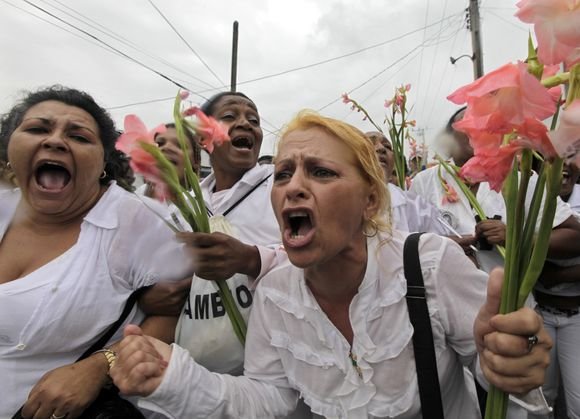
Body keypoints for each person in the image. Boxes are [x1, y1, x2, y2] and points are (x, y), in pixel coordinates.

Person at [111, 111, 552, 418]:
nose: (293, 187)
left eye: (320, 172)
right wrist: (174, 378)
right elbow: (271, 400)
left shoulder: (429, 263)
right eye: (283, 173)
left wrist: (509, 362)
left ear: (370, 200)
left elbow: (503, 378)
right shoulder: (275, 292)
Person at [0, 86, 195, 418]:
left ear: (105, 160)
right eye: (37, 129)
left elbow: (175, 312)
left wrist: (101, 365)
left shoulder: (141, 221)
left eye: (79, 137)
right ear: (9, 147)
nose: (55, 141)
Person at [142, 91, 282, 376]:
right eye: (230, 116)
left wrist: (251, 259)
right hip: (199, 373)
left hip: (273, 366)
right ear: (203, 138)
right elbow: (163, 278)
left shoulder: (279, 188)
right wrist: (148, 297)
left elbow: (317, 261)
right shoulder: (185, 206)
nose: (246, 123)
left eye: (253, 119)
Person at [411, 108, 580, 272]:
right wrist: (442, 245)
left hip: (510, 299)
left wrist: (515, 238)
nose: (477, 127)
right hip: (446, 298)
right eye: (467, 121)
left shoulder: (522, 179)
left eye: (484, 121)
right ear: (450, 136)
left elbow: (574, 238)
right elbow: (406, 242)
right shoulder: (424, 182)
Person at [366, 130, 452, 235]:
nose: (381, 149)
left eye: (387, 147)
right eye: (370, 144)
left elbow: (444, 238)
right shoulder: (344, 201)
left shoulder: (415, 205)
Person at [136, 122, 201, 198]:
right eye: (159, 143)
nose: (167, 147)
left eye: (180, 145)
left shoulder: (207, 203)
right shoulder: (136, 197)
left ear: (196, 161)